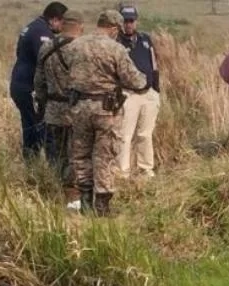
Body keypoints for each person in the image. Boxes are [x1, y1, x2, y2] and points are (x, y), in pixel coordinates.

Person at [67, 10, 147, 216]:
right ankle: (102, 206)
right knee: (105, 155)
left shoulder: (75, 45)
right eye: (117, 30)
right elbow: (135, 80)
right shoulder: (116, 49)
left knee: (81, 154)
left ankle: (84, 201)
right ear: (113, 28)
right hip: (106, 110)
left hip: (79, 108)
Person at [34, 10, 85, 210]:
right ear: (80, 26)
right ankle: (73, 196)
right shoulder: (80, 49)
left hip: (53, 110)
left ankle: (61, 191)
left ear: (62, 24)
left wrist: (42, 103)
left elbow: (39, 81)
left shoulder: (46, 47)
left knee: (60, 152)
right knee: (77, 153)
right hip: (76, 110)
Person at [10, 2, 68, 162]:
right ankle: (34, 165)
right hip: (29, 87)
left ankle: (32, 163)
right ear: (55, 19)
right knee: (37, 127)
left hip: (20, 83)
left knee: (30, 125)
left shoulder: (32, 26)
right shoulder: (42, 33)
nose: (63, 28)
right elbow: (47, 61)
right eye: (63, 23)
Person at [116, 3, 161, 179]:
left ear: (136, 21)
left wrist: (156, 89)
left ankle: (145, 169)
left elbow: (154, 63)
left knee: (145, 134)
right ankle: (123, 172)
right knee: (125, 136)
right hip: (129, 94)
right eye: (125, 21)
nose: (129, 24)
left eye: (131, 21)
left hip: (148, 93)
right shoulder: (116, 42)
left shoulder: (145, 39)